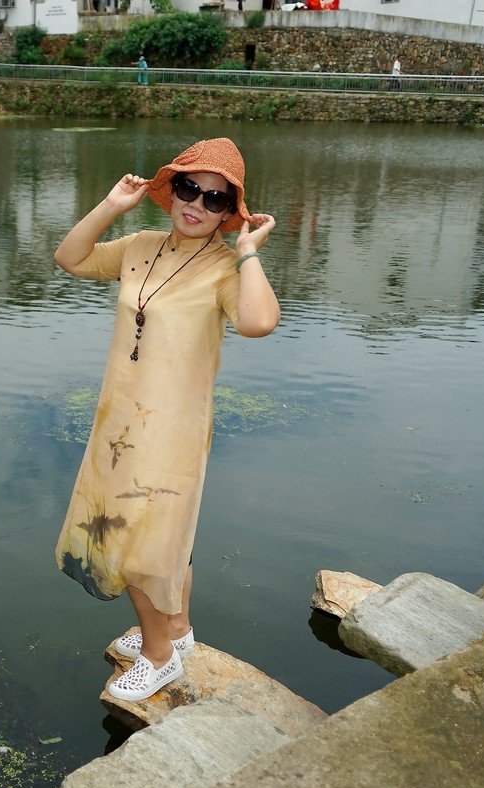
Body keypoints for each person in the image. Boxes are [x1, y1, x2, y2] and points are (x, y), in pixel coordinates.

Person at [53, 139, 281, 702]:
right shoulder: (140, 246)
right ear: (170, 189)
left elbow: (258, 323)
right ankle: (176, 633)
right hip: (119, 421)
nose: (197, 204)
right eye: (188, 187)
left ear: (230, 213)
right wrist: (110, 206)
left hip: (172, 428)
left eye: (215, 199)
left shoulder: (225, 269)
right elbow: (71, 258)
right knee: (165, 539)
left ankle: (159, 659)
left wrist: (249, 251)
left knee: (144, 544)